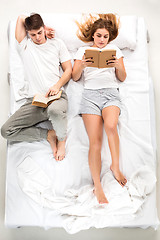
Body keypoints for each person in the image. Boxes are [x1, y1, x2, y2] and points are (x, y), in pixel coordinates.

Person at [1, 13, 72, 161]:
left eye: (39, 32)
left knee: (54, 111)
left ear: (44, 28)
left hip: (56, 96)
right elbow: (20, 17)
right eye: (33, 34)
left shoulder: (57, 43)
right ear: (28, 33)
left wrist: (57, 86)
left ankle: (61, 139)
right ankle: (48, 135)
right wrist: (29, 25)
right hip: (35, 101)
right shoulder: (26, 45)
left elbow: (68, 70)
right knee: (6, 131)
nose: (37, 37)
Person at [72, 13, 127, 204]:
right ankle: (98, 186)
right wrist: (83, 65)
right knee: (95, 141)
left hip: (111, 93)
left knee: (111, 126)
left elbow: (122, 77)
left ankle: (115, 166)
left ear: (109, 37)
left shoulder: (115, 50)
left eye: (105, 36)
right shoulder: (82, 51)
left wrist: (116, 66)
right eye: (98, 36)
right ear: (92, 36)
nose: (102, 40)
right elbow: (75, 77)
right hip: (90, 97)